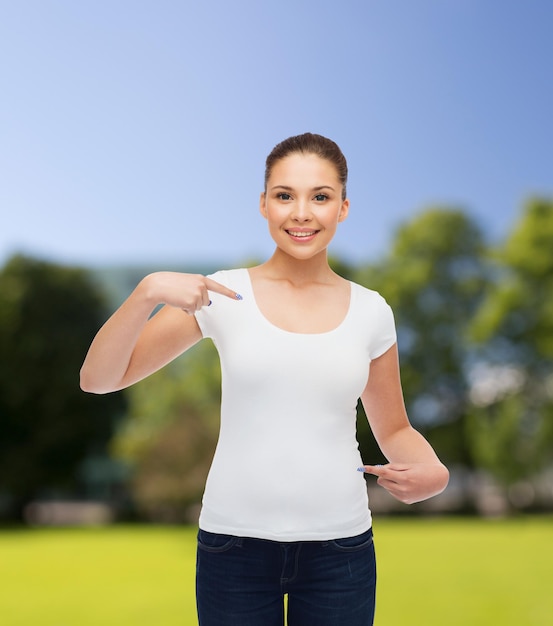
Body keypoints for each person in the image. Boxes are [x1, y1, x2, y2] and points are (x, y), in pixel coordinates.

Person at [80, 132, 449, 626]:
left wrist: (434, 471)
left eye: (320, 196)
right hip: (233, 548)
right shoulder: (222, 293)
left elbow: (395, 429)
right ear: (263, 204)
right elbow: (98, 379)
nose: (301, 213)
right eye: (284, 195)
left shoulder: (372, 311)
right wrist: (146, 293)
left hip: (341, 550)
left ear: (342, 208)